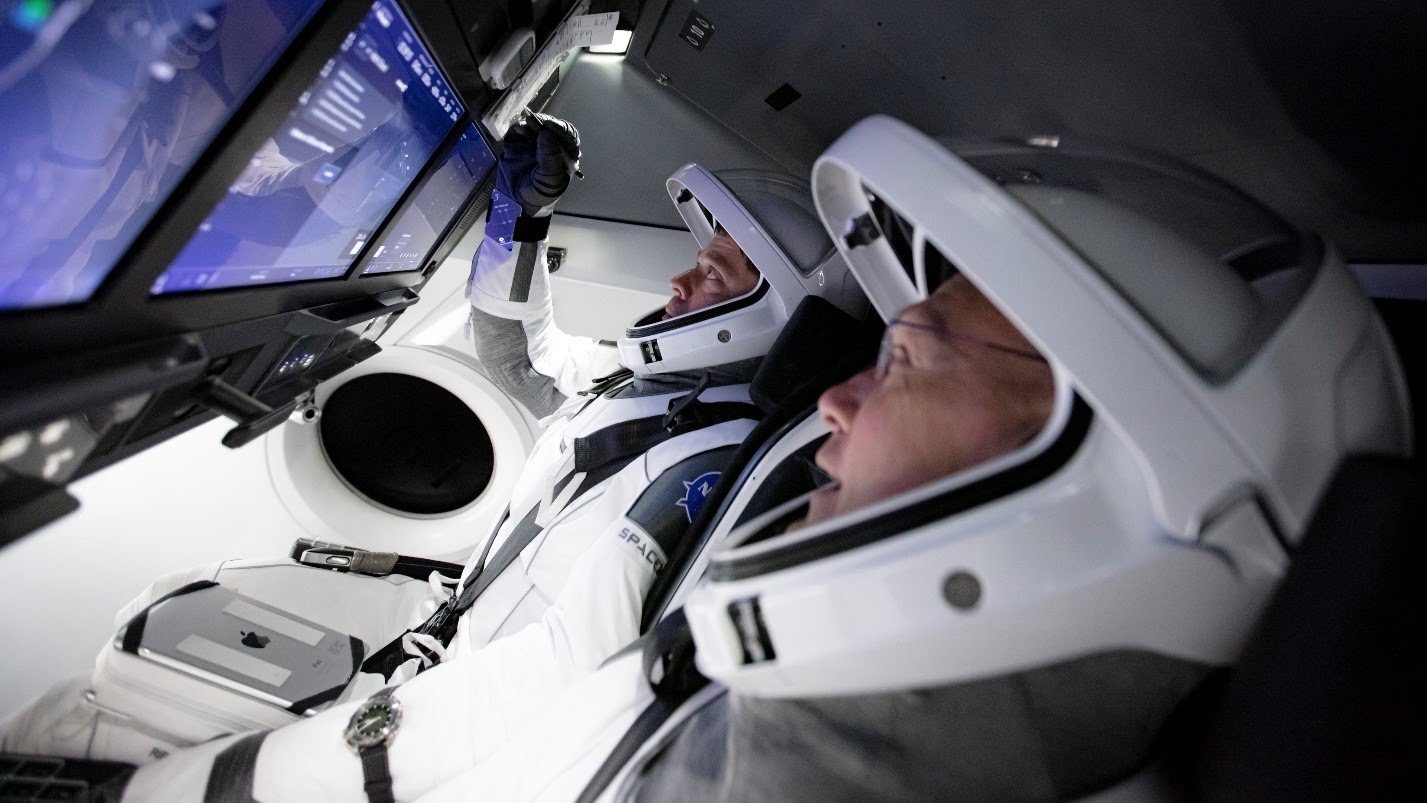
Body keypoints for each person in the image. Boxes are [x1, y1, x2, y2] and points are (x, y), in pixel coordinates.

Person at [122, 114, 1408, 802]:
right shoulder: (701, 496)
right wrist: (517, 232)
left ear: (1109, 458)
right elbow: (523, 378)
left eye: (905, 357)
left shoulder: (704, 463)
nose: (837, 405)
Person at [0, 113, 867, 770]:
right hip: (426, 679)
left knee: (67, 722)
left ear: (769, 315)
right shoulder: (659, 391)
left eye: (712, 273)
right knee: (159, 607)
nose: (681, 280)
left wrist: (302, 768)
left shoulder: (707, 460)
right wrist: (518, 224)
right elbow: (516, 354)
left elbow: (559, 676)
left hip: (448, 736)